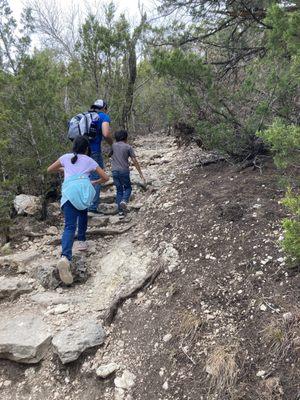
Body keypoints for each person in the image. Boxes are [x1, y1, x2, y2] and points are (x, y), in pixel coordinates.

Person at [47, 136, 109, 285]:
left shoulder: (65, 157)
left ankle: (65, 257)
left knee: (69, 226)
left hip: (69, 193)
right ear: (87, 149)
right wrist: (94, 181)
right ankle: (81, 242)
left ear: (74, 146)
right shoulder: (90, 161)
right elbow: (105, 177)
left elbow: (49, 169)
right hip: (82, 192)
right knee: (83, 213)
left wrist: (64, 168)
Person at [110, 130, 145, 218]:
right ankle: (124, 201)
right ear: (125, 138)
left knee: (119, 190)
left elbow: (109, 155)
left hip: (114, 171)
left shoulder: (113, 146)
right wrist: (140, 173)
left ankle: (120, 212)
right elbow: (134, 161)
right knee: (128, 188)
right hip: (124, 171)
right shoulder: (128, 147)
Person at [88, 99, 113, 214]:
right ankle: (93, 206)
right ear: (104, 108)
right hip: (94, 152)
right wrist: (113, 144)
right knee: (96, 177)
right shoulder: (103, 117)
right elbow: (106, 133)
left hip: (81, 152)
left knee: (86, 177)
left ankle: (83, 204)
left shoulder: (87, 116)